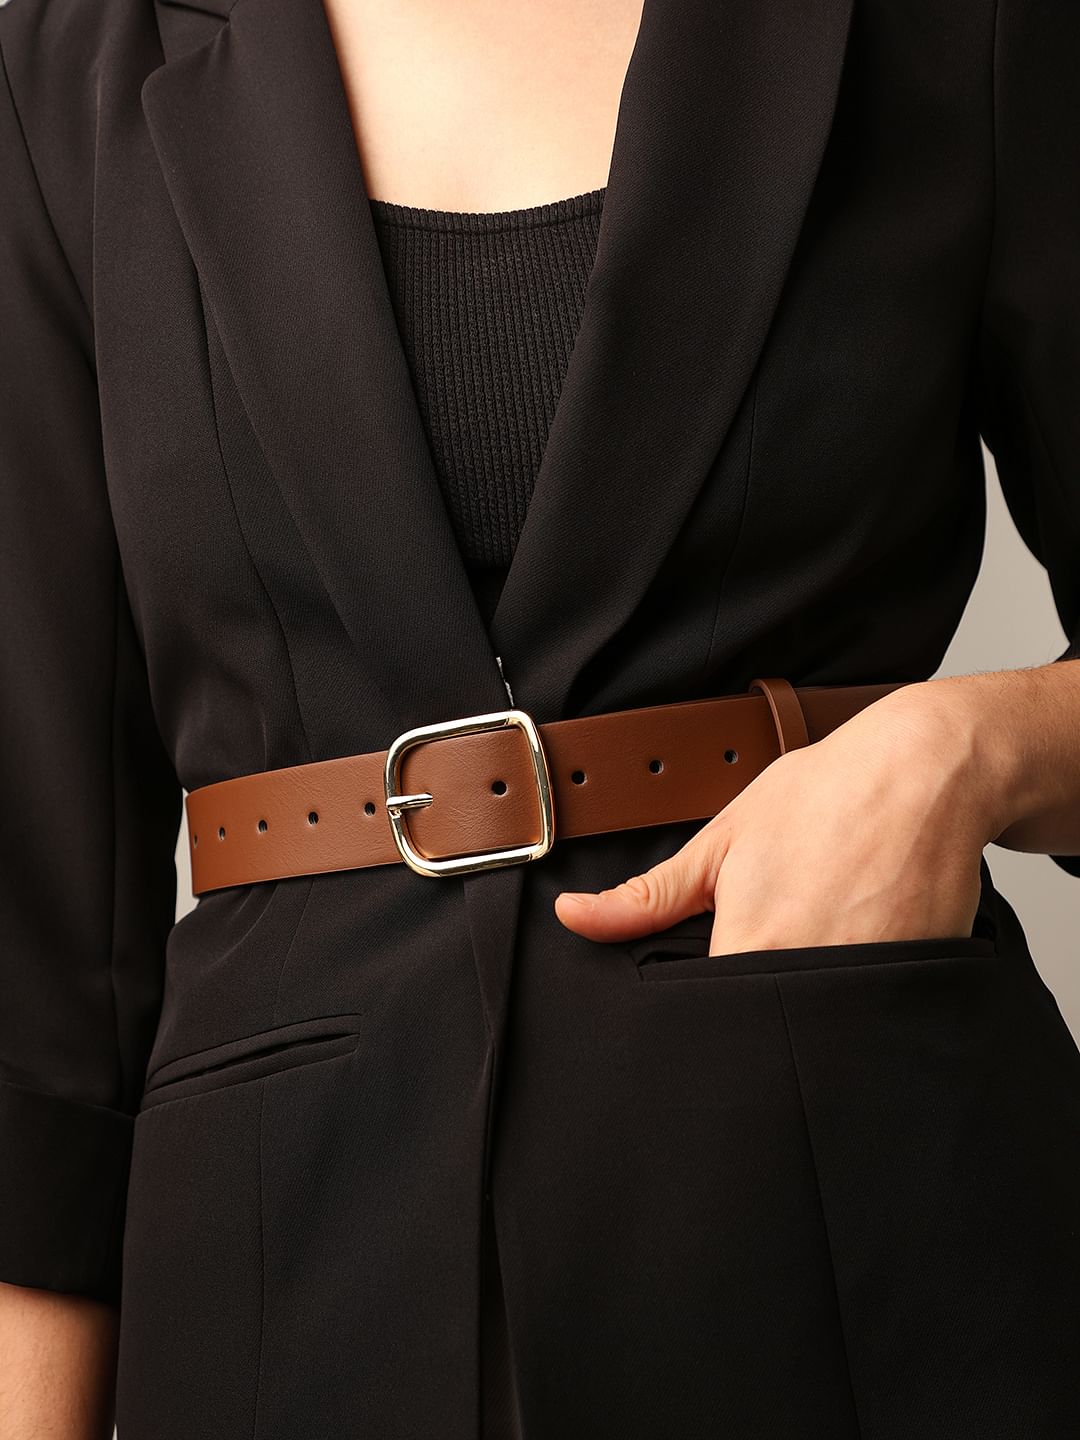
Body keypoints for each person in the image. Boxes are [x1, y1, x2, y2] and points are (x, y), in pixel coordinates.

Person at [1, 0, 1079, 1435]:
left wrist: (974, 751)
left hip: (863, 1227)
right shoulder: (68, 73)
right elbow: (41, 994)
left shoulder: (963, 26)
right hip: (282, 1288)